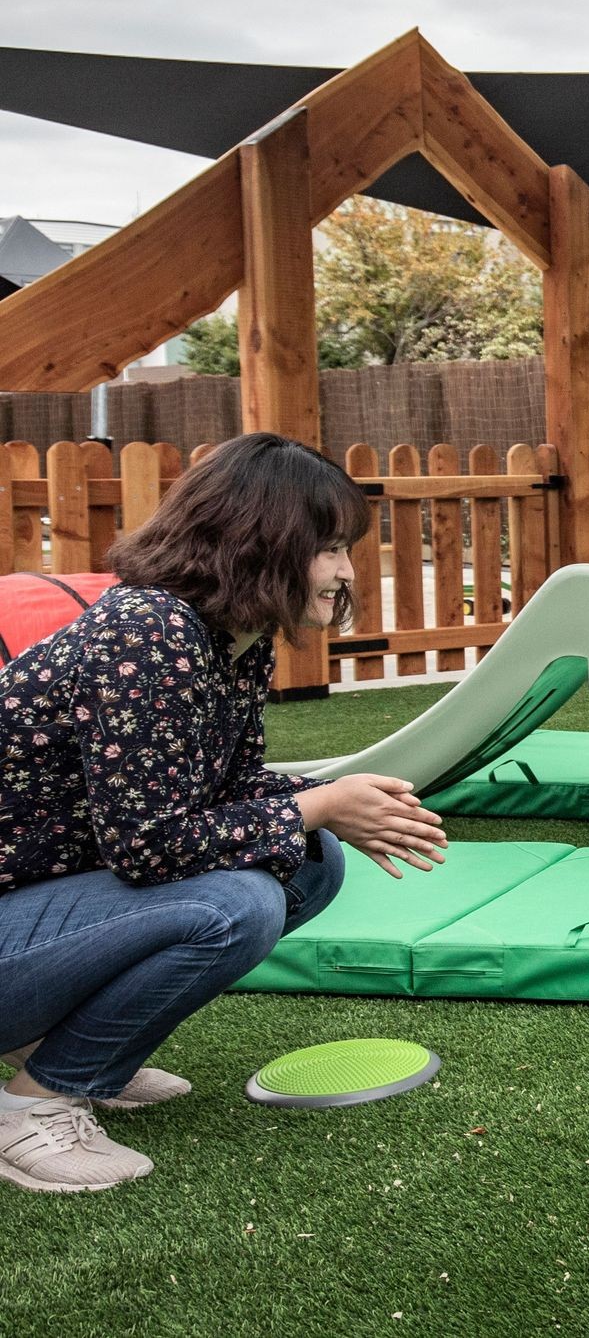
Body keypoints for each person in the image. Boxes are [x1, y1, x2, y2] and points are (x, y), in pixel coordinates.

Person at [0, 433, 449, 1193]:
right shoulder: (149, 633)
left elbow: (224, 789)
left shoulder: (232, 639)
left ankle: (64, 1049)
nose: (346, 570)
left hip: (32, 913)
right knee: (235, 904)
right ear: (261, 540)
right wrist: (316, 803)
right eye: (329, 548)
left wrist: (333, 806)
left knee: (311, 863)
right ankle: (33, 1107)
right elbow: (148, 846)